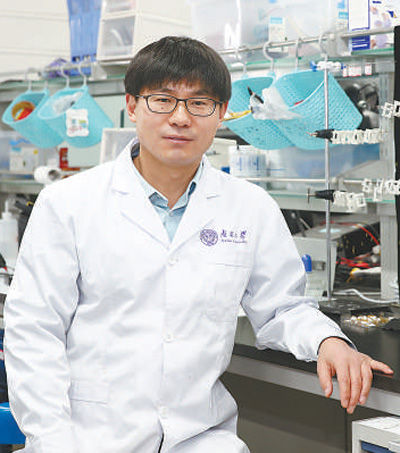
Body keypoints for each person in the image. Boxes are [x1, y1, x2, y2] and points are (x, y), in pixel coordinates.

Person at [4, 36, 392, 453]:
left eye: (199, 103)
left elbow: (282, 307)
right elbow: (35, 334)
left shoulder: (250, 206)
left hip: (199, 437)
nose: (180, 118)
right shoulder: (68, 203)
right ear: (132, 106)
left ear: (221, 113)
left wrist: (327, 341)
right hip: (88, 439)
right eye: (162, 100)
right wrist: (54, 443)